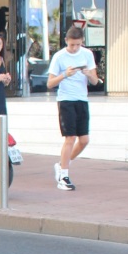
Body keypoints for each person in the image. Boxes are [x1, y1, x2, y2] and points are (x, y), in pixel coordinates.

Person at [47, 25, 99, 191]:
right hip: (66, 100)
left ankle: (63, 164)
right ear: (66, 41)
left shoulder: (87, 54)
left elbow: (95, 81)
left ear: (82, 42)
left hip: (82, 99)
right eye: (72, 45)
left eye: (78, 44)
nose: (75, 48)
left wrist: (88, 73)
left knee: (84, 140)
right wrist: (65, 75)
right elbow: (50, 83)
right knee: (70, 138)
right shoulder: (59, 57)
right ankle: (64, 175)